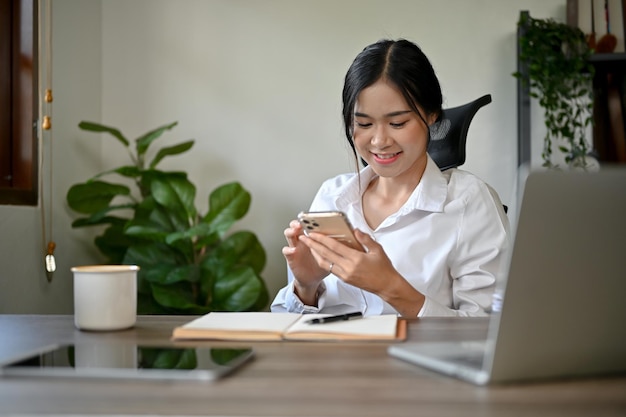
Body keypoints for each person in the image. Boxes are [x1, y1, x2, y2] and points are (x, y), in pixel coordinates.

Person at [271, 39, 510, 317]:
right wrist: (306, 285)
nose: (379, 140)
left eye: (397, 123)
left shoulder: (469, 202)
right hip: (332, 360)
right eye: (363, 123)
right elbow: (289, 331)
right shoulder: (332, 196)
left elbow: (488, 334)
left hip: (416, 362)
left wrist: (391, 287)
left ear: (432, 114)